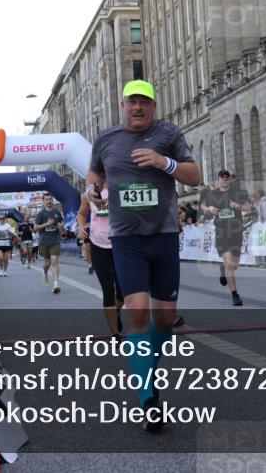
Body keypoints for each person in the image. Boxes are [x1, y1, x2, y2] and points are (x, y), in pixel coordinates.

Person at [87, 79, 200, 431]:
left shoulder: (168, 133)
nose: (138, 107)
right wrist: (93, 190)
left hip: (163, 236)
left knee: (165, 319)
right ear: (122, 105)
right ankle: (148, 397)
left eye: (144, 102)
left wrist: (163, 162)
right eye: (132, 101)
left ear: (153, 106)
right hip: (127, 239)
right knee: (137, 312)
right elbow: (94, 174)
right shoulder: (106, 139)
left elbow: (195, 177)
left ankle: (146, 369)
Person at [78, 177, 124, 342]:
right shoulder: (90, 192)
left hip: (121, 244)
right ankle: (115, 334)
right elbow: (82, 214)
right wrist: (81, 227)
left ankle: (117, 312)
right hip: (98, 245)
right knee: (108, 290)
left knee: (123, 291)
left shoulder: (119, 184)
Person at [201, 169, 251, 306]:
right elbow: (203, 205)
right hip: (222, 232)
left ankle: (224, 269)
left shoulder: (237, 193)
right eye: (222, 177)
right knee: (229, 262)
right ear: (218, 180)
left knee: (234, 265)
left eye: (226, 177)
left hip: (236, 232)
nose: (224, 179)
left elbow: (248, 207)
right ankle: (235, 295)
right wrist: (209, 209)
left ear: (229, 179)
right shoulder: (212, 194)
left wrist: (238, 206)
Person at [35, 193, 64, 293]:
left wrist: (60, 226)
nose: (49, 201)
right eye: (47, 199)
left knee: (54, 261)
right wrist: (47, 224)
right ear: (44, 201)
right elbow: (35, 227)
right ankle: (45, 272)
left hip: (55, 240)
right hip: (44, 241)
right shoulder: (41, 213)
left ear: (53, 200)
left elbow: (61, 223)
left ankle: (56, 284)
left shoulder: (57, 212)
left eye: (50, 199)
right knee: (47, 263)